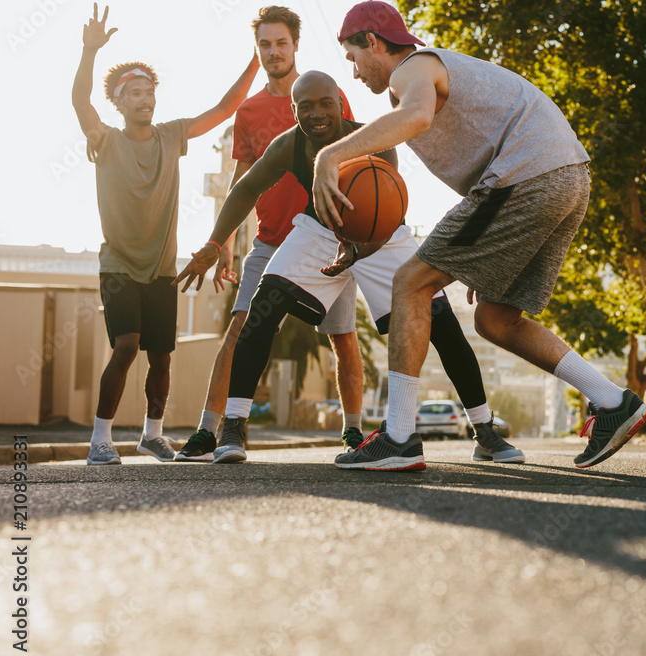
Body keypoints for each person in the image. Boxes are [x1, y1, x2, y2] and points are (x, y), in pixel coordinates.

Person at [312, 1, 646, 470]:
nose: (353, 73)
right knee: (496, 319)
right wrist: (482, 255)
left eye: (353, 57)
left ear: (372, 41)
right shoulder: (432, 72)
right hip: (567, 178)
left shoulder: (412, 68)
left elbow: (416, 117)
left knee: (409, 283)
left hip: (525, 176)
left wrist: (328, 157)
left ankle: (399, 436)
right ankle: (614, 402)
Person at [173, 70, 524, 468]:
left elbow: (389, 209)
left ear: (341, 105)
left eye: (326, 103)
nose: (317, 113)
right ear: (294, 111)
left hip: (381, 232)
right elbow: (244, 190)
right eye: (305, 106)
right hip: (319, 228)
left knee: (440, 318)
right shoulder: (288, 146)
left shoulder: (374, 138)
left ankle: (484, 430)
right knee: (263, 306)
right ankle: (234, 426)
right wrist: (213, 243)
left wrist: (360, 248)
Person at [173, 5, 366, 462]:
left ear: (296, 44)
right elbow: (243, 181)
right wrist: (223, 243)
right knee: (240, 328)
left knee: (342, 338)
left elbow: (355, 158)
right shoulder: (250, 111)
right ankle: (212, 431)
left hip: (326, 240)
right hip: (269, 239)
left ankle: (354, 432)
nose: (273, 51)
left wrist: (355, 235)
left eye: (281, 42)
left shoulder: (325, 96)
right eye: (265, 44)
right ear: (256, 49)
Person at [72, 4, 260, 465]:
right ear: (119, 101)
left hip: (161, 269)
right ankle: (101, 438)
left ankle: (152, 435)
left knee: (161, 357)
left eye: (149, 91)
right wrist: (89, 51)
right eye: (134, 93)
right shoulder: (106, 140)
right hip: (118, 263)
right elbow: (80, 102)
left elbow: (224, 108)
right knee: (126, 347)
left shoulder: (172, 136)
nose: (144, 98)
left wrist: (257, 58)